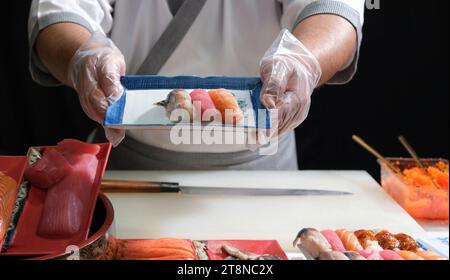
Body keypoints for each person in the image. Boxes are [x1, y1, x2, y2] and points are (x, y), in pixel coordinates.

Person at [28, 0, 365, 170]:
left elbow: (332, 10)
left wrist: (303, 62)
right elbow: (59, 12)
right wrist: (83, 56)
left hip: (260, 169)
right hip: (129, 167)